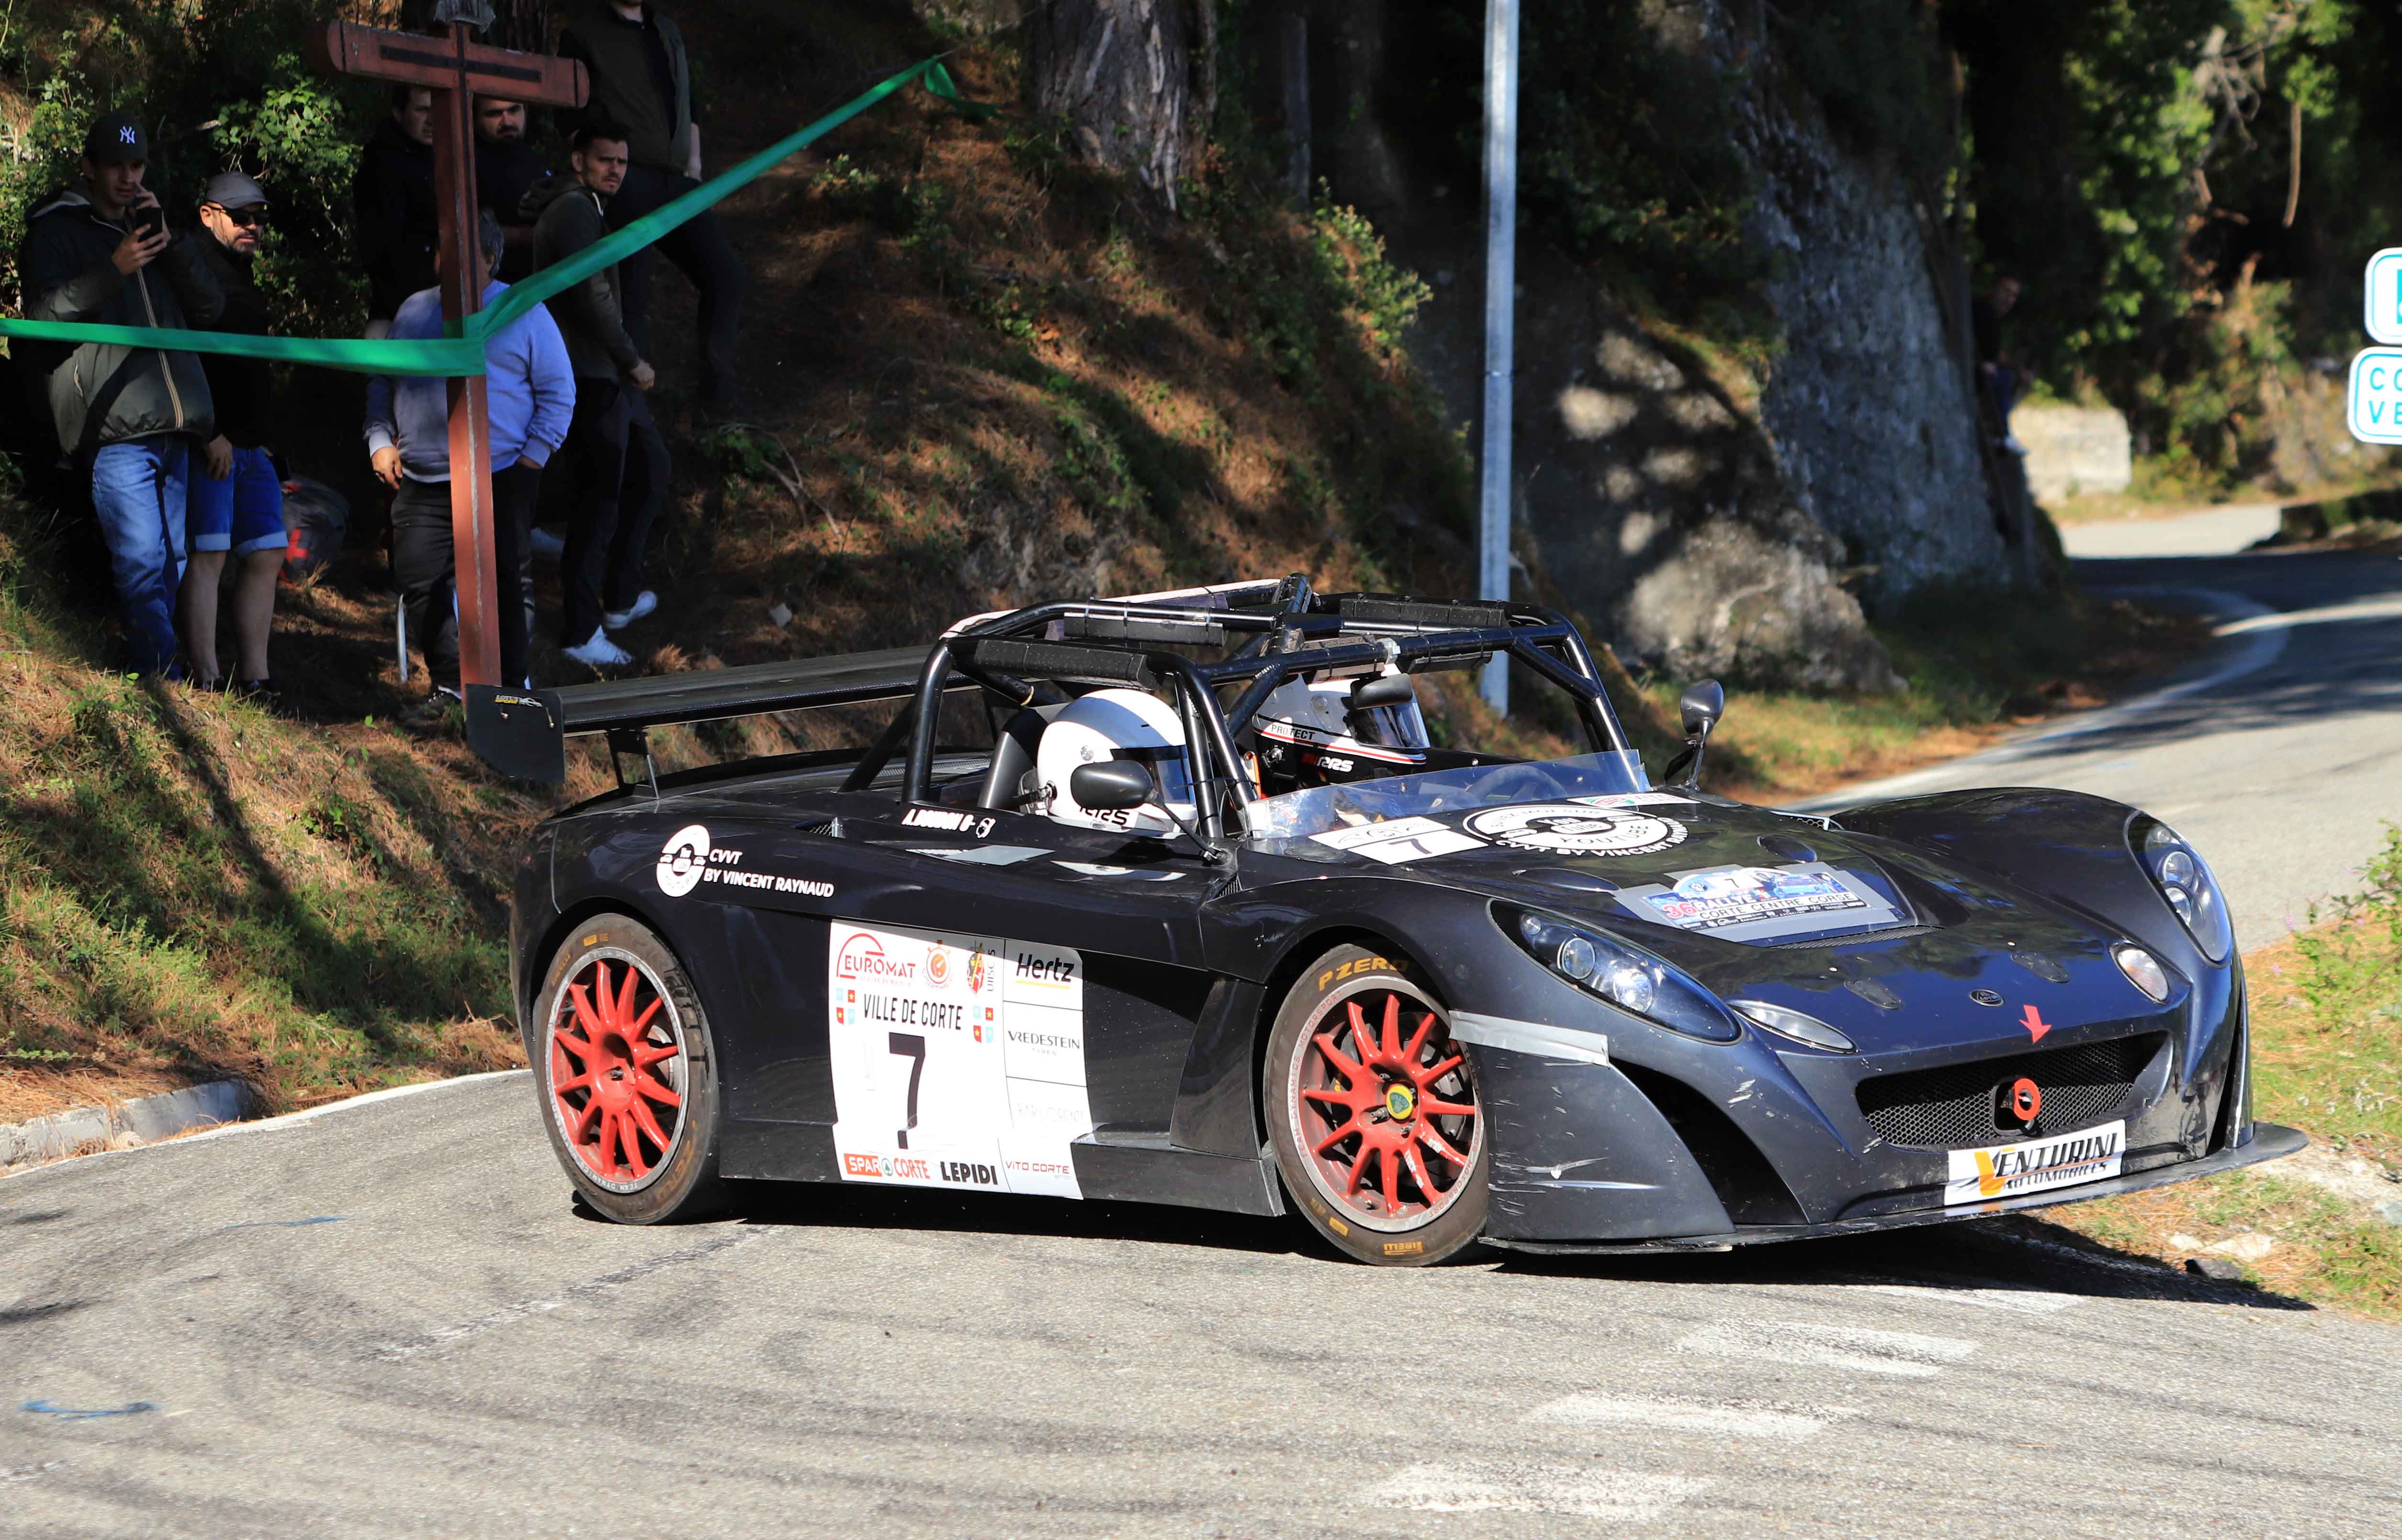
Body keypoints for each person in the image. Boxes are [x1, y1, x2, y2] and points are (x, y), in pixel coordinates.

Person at [17, 111, 223, 677]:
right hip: (113, 426)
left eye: (138, 166)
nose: (129, 178)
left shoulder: (155, 229)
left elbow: (211, 308)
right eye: (116, 166)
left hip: (177, 424)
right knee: (142, 559)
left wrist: (171, 242)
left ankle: (160, 674)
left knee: (172, 559)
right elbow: (39, 320)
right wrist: (113, 270)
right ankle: (161, 678)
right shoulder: (56, 230)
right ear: (89, 167)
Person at [364, 211, 574, 705]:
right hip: (422, 477)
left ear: (491, 259)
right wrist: (380, 440)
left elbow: (559, 392)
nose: (449, 263)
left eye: (464, 254)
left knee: (505, 585)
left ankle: (512, 694)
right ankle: (450, 687)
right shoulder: (414, 310)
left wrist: (530, 464)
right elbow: (381, 378)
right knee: (418, 578)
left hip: (501, 474)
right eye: (444, 253)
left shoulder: (521, 309)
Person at [532, 120, 670, 669]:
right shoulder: (573, 210)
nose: (615, 170)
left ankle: (618, 599)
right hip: (586, 375)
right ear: (579, 160)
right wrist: (631, 359)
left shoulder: (587, 207)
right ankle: (581, 629)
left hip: (601, 374)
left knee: (649, 472)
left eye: (622, 161)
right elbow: (592, 295)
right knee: (598, 504)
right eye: (605, 159)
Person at [560, 0, 746, 405]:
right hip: (625, 178)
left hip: (678, 179)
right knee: (632, 288)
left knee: (726, 275)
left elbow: (687, 102)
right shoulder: (584, 34)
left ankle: (719, 397)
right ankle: (627, 405)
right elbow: (571, 119)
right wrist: (602, 175)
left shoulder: (666, 30)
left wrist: (694, 167)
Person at [181, 171, 285, 695]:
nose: (252, 226)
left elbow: (254, 368)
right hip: (212, 441)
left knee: (267, 551)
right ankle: (206, 678)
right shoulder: (190, 265)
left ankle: (255, 679)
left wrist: (264, 439)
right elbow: (185, 359)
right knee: (209, 554)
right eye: (241, 216)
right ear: (208, 215)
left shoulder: (245, 273)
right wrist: (211, 431)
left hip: (252, 444)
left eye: (259, 218)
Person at [354, 85, 439, 331]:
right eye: (422, 110)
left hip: (442, 306)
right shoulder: (381, 168)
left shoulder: (449, 160)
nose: (432, 120)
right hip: (399, 312)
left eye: (438, 110)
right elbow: (380, 249)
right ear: (399, 113)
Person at [474, 96, 554, 282]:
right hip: (497, 284)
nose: (507, 121)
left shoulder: (534, 157)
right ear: (475, 119)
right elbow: (465, 230)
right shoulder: (468, 164)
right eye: (494, 114)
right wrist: (525, 235)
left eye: (514, 110)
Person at [1973, 276, 2028, 455]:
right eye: (2006, 291)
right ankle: (2001, 434)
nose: (2008, 299)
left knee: (2007, 377)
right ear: (1994, 289)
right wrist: (1983, 363)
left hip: (1981, 370)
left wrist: (2018, 368)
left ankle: (2000, 433)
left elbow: (1995, 352)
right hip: (1972, 371)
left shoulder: (1991, 316)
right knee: (2005, 379)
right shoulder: (1984, 310)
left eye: (2013, 296)